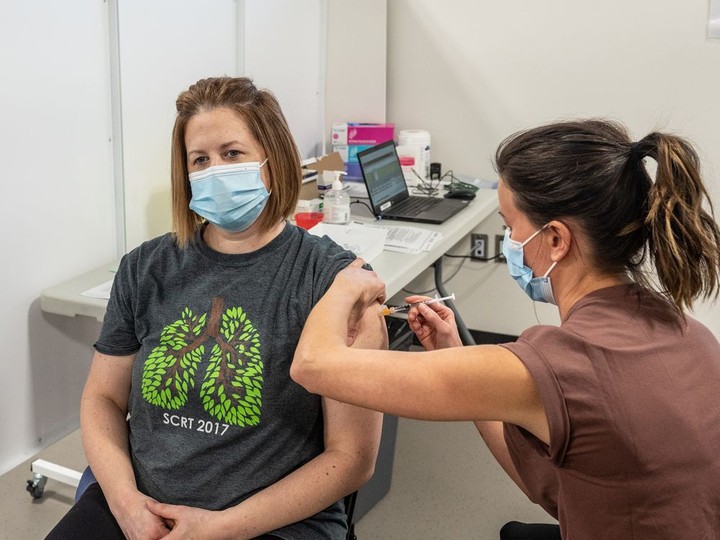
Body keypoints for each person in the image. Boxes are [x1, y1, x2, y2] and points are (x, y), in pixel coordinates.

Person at [291, 119, 720, 538]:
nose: (509, 241)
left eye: (510, 227)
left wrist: (343, 282)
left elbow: (312, 365)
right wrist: (458, 353)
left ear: (556, 239)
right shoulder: (686, 331)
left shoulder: (559, 364)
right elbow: (556, 485)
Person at [47, 77, 386, 540]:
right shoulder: (145, 268)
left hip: (272, 519)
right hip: (143, 504)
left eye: (232, 154)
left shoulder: (335, 283)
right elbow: (103, 398)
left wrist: (222, 527)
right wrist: (126, 502)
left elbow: (352, 458)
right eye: (200, 160)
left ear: (273, 160)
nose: (215, 171)